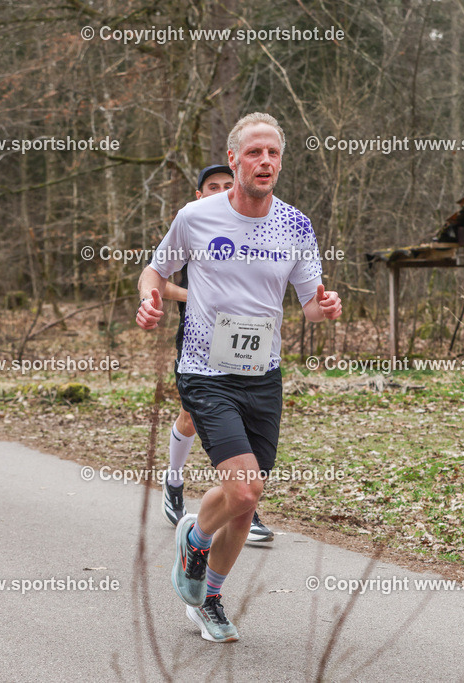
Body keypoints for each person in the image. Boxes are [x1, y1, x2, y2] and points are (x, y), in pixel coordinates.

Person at [136, 112, 341, 642]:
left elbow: (310, 306)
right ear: (233, 159)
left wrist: (328, 307)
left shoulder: (295, 224)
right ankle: (195, 543)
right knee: (245, 492)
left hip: (263, 376)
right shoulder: (197, 217)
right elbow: (156, 269)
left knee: (246, 506)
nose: (265, 161)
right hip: (206, 373)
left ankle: (210, 598)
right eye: (254, 152)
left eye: (273, 153)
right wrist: (149, 298)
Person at [136, 165, 275, 544]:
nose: (220, 191)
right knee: (191, 418)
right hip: (199, 342)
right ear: (199, 195)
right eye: (212, 187)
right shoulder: (193, 222)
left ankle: (244, 502)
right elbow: (157, 278)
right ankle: (174, 480)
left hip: (249, 343)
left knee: (244, 421)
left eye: (227, 185)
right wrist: (193, 296)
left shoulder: (262, 222)